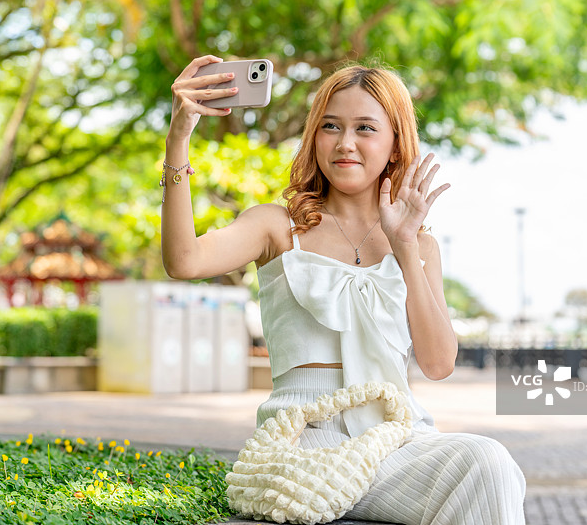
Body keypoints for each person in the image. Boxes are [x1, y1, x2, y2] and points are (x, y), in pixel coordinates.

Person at [162, 55, 526, 525]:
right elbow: (184, 261)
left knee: (489, 462)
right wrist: (178, 140)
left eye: (365, 129)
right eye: (330, 126)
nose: (344, 143)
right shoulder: (276, 227)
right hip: (305, 441)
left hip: (396, 440)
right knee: (483, 470)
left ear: (395, 145)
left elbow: (439, 364)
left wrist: (404, 245)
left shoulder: (420, 245)